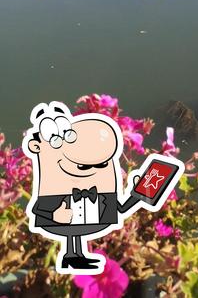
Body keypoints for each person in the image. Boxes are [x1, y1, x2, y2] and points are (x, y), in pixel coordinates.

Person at [23, 102, 144, 273]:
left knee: (76, 233)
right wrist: (54, 214)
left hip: (90, 223)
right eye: (83, 166)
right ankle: (72, 256)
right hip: (64, 224)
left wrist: (139, 194)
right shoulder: (55, 192)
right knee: (72, 233)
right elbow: (38, 209)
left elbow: (121, 208)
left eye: (102, 164)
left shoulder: (102, 194)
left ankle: (75, 256)